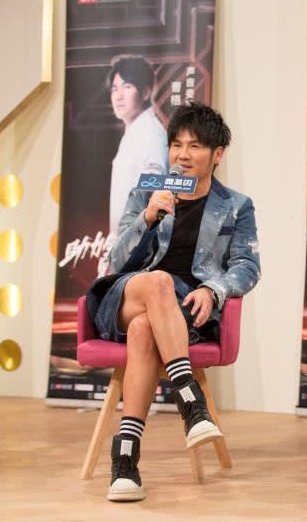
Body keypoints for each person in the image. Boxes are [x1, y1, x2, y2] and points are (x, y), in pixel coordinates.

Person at [85, 102, 260, 501]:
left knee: (146, 328)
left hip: (181, 315)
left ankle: (125, 460)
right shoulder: (148, 190)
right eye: (176, 145)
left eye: (195, 146)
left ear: (217, 154)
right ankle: (190, 401)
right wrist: (147, 218)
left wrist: (213, 290)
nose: (182, 154)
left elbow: (247, 266)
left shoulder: (236, 206)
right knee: (158, 282)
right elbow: (117, 260)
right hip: (126, 298)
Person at [107, 54, 169, 235]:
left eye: (127, 87)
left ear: (146, 92)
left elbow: (153, 191)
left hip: (138, 242)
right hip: (124, 241)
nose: (118, 96)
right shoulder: (134, 131)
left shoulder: (150, 133)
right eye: (115, 89)